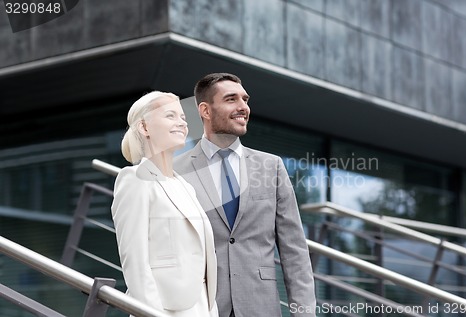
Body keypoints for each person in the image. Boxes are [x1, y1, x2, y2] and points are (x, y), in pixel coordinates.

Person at [174, 73, 316, 317]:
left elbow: (294, 251)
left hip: (260, 307)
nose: (243, 108)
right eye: (231, 99)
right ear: (205, 111)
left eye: (245, 99)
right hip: (200, 308)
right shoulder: (175, 171)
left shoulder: (271, 166)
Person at [111, 91, 218, 317]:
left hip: (201, 308)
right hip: (165, 310)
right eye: (170, 116)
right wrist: (150, 313)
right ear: (144, 127)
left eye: (183, 117)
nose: (181, 122)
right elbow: (135, 263)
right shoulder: (135, 179)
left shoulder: (186, 187)